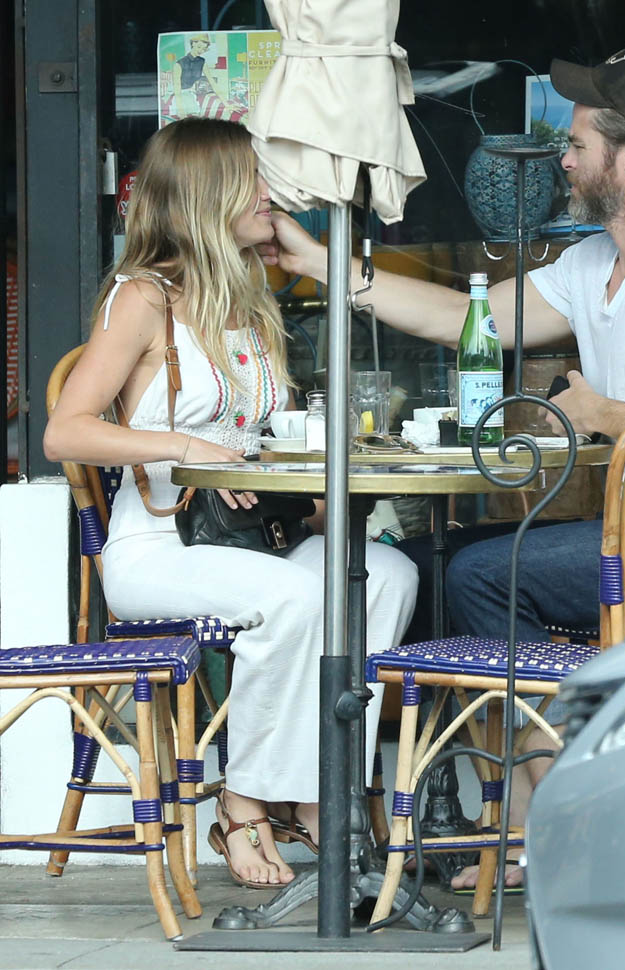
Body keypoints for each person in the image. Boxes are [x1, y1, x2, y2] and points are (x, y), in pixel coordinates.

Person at [263, 46, 625, 886]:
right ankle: (506, 808)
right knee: (423, 569)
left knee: (480, 576)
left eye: (576, 144)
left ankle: (554, 814)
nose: (562, 161)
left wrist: (601, 412)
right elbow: (463, 317)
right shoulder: (593, 263)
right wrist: (326, 265)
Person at [43, 117, 418, 890]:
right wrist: (191, 448)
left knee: (384, 575)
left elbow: (263, 439)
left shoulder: (251, 299)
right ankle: (243, 802)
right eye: (253, 179)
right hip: (160, 550)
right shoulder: (142, 297)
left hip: (257, 538)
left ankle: (320, 789)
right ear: (208, 193)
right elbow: (65, 432)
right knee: (293, 598)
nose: (269, 194)